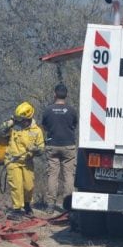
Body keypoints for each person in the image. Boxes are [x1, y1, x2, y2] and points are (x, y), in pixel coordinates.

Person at [0, 101, 44, 220]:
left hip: (27, 162)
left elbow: (41, 149)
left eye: (22, 119)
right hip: (13, 161)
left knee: (28, 186)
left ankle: (27, 206)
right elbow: (0, 132)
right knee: (16, 186)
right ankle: (17, 209)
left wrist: (35, 150)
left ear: (28, 118)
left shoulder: (36, 130)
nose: (20, 121)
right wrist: (11, 121)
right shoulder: (13, 127)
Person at [40, 84, 78, 213]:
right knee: (69, 175)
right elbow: (74, 125)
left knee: (52, 175)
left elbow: (44, 127)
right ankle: (69, 205)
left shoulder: (48, 110)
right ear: (66, 95)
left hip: (52, 145)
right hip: (68, 145)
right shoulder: (72, 110)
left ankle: (50, 205)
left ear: (54, 94)